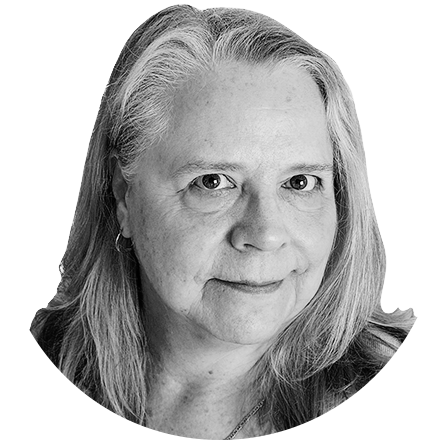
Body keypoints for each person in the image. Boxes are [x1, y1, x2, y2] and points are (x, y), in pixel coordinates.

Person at [30, 5, 415, 438]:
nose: (265, 234)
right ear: (124, 195)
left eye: (300, 182)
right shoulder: (54, 354)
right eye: (212, 182)